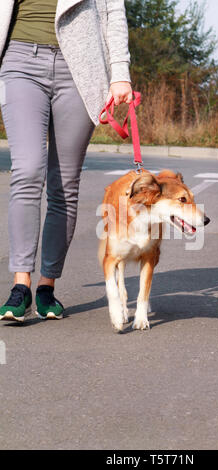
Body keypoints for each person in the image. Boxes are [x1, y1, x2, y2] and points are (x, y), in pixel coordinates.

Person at [0, 0, 132, 321]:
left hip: (80, 67)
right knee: (28, 169)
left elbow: (113, 11)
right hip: (18, 60)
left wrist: (120, 73)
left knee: (64, 184)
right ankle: (21, 287)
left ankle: (46, 285)